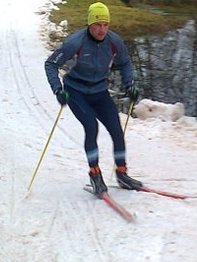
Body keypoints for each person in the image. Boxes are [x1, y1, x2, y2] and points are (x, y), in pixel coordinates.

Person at [44, 2, 143, 195]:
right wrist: (58, 90)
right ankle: (95, 173)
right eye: (97, 25)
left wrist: (130, 84)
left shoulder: (114, 42)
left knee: (116, 128)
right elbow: (50, 64)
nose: (102, 29)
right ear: (89, 24)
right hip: (75, 92)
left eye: (105, 24)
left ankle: (122, 173)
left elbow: (125, 63)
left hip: (99, 92)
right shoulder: (76, 42)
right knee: (91, 126)